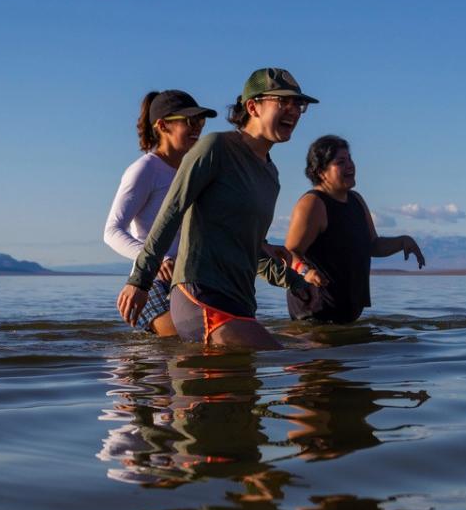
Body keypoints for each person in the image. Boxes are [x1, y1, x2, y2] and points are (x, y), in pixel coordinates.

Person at [117, 68, 319, 349]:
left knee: (307, 351)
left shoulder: (270, 175)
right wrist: (140, 281)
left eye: (299, 104)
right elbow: (171, 214)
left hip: (240, 301)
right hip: (201, 296)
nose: (294, 111)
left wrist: (295, 282)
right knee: (298, 359)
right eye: (282, 102)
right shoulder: (216, 148)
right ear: (253, 106)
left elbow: (246, 245)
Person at [104, 90, 217, 336]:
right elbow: (112, 231)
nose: (197, 128)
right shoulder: (145, 169)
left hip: (189, 278)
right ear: (163, 125)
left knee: (211, 342)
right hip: (152, 282)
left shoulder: (195, 170)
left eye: (200, 122)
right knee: (186, 344)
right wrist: (159, 260)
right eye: (189, 121)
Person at [284, 135, 425, 324]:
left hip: (346, 315)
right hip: (314, 316)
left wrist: (403, 241)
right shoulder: (313, 204)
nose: (350, 165)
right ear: (321, 172)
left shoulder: (356, 201)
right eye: (340, 162)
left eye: (350, 159)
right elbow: (289, 252)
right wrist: (305, 271)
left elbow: (373, 245)